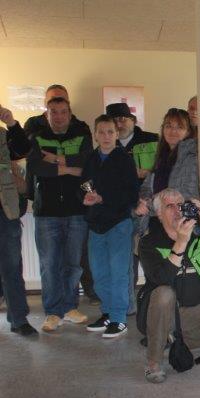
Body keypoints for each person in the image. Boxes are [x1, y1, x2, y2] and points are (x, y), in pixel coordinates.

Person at [137, 188, 200, 383]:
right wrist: (180, 243)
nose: (177, 210)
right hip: (158, 311)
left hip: (192, 311)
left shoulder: (198, 235)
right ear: (159, 214)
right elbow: (161, 279)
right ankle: (153, 362)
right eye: (169, 206)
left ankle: (168, 340)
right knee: (164, 293)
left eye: (180, 205)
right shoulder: (149, 242)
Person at [24, 84, 97, 305]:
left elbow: (87, 164)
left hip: (77, 210)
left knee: (73, 265)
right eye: (53, 112)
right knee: (49, 264)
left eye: (63, 112)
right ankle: (53, 310)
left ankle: (71, 306)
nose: (58, 117)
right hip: (46, 211)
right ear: (46, 114)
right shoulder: (37, 137)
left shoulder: (81, 134)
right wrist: (70, 168)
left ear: (70, 113)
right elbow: (36, 167)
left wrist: (56, 160)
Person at [81, 115, 140, 338]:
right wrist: (85, 198)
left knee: (118, 273)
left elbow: (131, 195)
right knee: (99, 273)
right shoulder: (91, 159)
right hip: (95, 224)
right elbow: (82, 185)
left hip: (118, 224)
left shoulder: (124, 159)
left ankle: (118, 318)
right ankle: (106, 313)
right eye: (101, 132)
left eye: (110, 132)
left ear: (117, 134)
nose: (106, 136)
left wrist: (103, 198)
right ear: (95, 134)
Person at [105, 101, 159, 315]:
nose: (120, 124)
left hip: (149, 210)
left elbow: (163, 168)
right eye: (115, 120)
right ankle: (128, 306)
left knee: (152, 258)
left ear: (133, 120)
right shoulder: (106, 145)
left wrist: (146, 173)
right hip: (121, 210)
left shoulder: (153, 139)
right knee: (124, 263)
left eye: (123, 119)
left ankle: (156, 304)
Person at [0, 103, 36, 336]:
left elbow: (24, 149)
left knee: (12, 265)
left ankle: (18, 318)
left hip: (6, 211)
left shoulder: (4, 135)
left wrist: (12, 123)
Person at [136, 108, 199, 220]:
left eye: (179, 127)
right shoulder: (162, 156)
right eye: (168, 126)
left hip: (179, 221)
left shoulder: (191, 157)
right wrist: (144, 201)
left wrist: (149, 205)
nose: (173, 131)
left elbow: (187, 193)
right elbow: (146, 186)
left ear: (188, 132)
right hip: (157, 218)